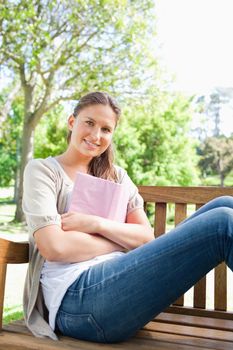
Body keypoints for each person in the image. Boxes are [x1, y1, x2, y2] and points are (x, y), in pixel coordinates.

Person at [22, 91, 233, 344]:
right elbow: (54, 247)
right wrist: (121, 239)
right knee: (223, 222)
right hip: (78, 301)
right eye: (89, 123)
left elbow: (145, 238)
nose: (96, 135)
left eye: (106, 129)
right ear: (71, 122)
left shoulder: (118, 177)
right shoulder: (44, 171)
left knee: (224, 204)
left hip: (121, 287)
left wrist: (96, 224)